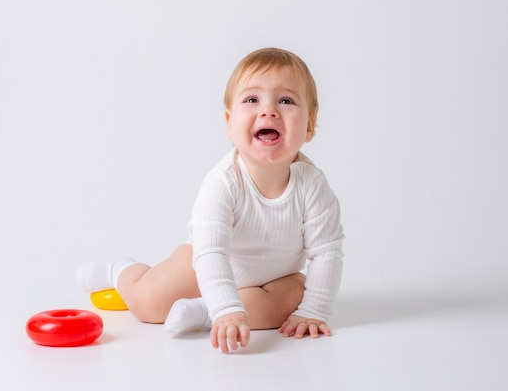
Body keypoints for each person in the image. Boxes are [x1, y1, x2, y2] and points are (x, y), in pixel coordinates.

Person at [76, 47, 344, 353]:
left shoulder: (313, 185)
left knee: (296, 295)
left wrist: (314, 310)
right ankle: (120, 271)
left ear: (309, 125)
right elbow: (211, 252)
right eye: (252, 100)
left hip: (276, 277)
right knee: (149, 303)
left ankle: (204, 312)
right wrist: (227, 306)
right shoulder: (224, 182)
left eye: (286, 100)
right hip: (206, 262)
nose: (268, 111)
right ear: (230, 123)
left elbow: (327, 253)